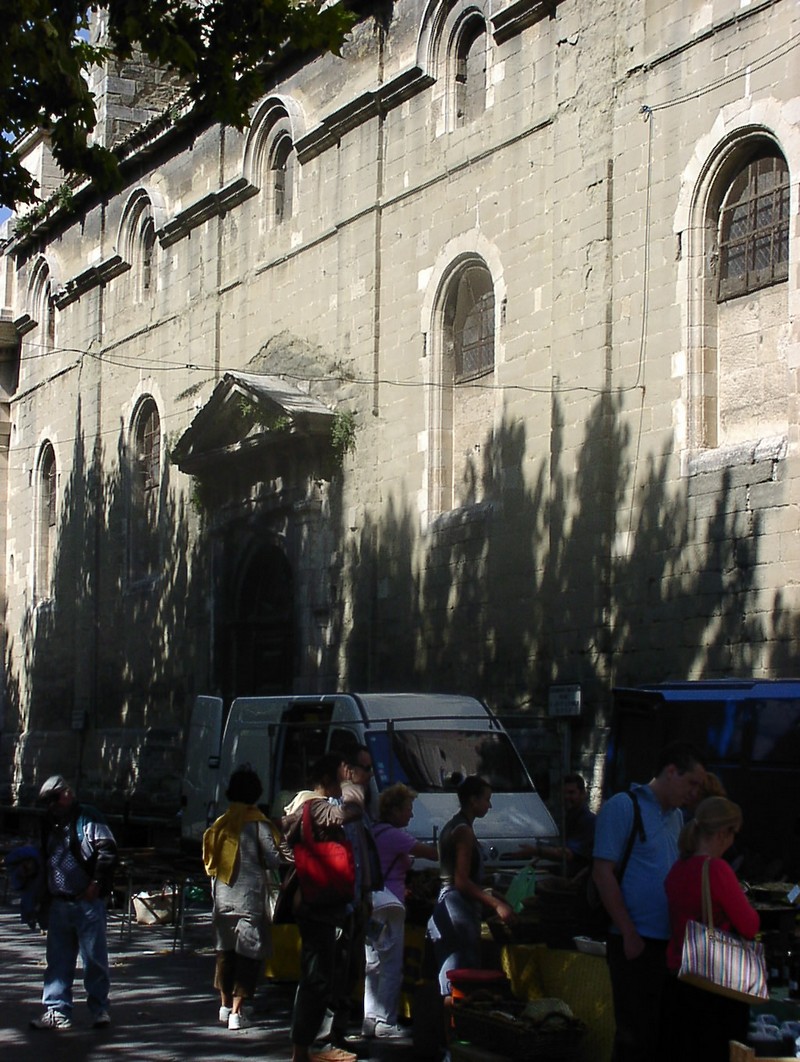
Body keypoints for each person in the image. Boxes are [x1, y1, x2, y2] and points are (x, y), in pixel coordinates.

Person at [592, 741, 706, 1062]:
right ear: (671, 772)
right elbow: (603, 873)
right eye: (692, 783)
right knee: (634, 1037)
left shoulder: (676, 818)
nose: (695, 792)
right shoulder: (623, 807)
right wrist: (628, 933)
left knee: (659, 1035)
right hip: (634, 942)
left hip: (667, 945)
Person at [663, 796, 759, 1062]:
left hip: (679, 976)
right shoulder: (716, 869)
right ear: (722, 833)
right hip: (716, 983)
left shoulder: (678, 868)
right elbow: (749, 926)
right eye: (733, 834)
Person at [282, 752, 362, 1062]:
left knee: (320, 977)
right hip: (319, 904)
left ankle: (305, 1047)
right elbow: (346, 814)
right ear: (328, 780)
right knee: (316, 979)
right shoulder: (315, 806)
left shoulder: (308, 806)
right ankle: (302, 1049)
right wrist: (354, 789)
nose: (346, 784)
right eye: (342, 777)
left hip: (320, 902)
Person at [30, 774, 118, 1031]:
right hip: (59, 900)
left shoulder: (88, 816)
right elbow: (44, 854)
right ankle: (57, 1010)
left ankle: (100, 1008)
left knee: (94, 959)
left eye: (57, 797)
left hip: (87, 901)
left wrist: (96, 884)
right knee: (57, 960)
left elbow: (108, 850)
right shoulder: (48, 821)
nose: (56, 804)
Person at [427, 776, 515, 1014]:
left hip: (452, 905)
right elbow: (462, 881)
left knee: (455, 981)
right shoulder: (463, 831)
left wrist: (492, 890)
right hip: (457, 908)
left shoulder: (456, 826)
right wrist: (496, 904)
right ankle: (452, 1043)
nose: (489, 805)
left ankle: (451, 1042)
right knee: (459, 983)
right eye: (486, 799)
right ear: (472, 800)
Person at [202, 765, 279, 1030]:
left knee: (225, 953)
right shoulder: (258, 823)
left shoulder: (222, 823)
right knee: (248, 955)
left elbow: (209, 860)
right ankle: (238, 1012)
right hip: (250, 899)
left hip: (222, 898)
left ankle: (224, 1006)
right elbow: (273, 859)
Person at [363, 783, 438, 1039]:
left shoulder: (373, 831)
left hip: (372, 905)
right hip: (391, 908)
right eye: (408, 809)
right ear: (394, 810)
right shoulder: (397, 836)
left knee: (372, 962)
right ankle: (386, 1021)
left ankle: (370, 1018)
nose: (411, 815)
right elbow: (431, 853)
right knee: (392, 963)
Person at [521, 772, 596, 876]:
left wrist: (536, 851)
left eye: (571, 793)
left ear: (583, 794)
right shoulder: (566, 819)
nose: (566, 797)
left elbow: (568, 854)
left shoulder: (588, 821)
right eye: (564, 793)